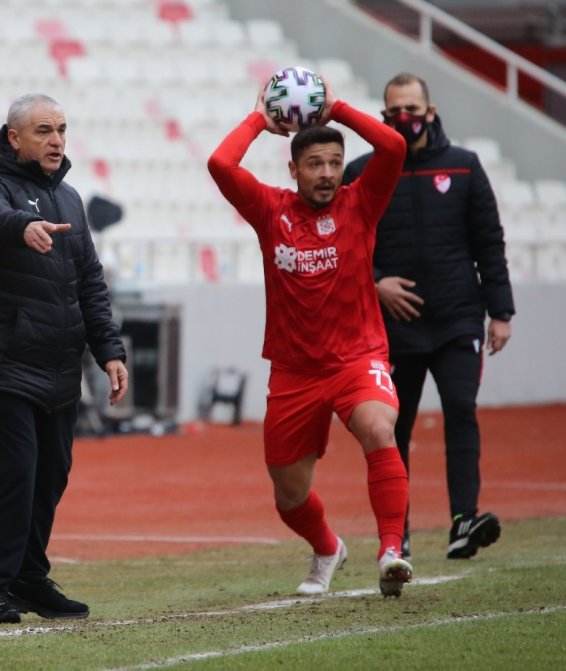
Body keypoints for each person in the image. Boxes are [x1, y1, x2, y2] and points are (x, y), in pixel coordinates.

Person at [208, 81, 413, 597]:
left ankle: (392, 549)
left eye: (334, 162)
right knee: (289, 494)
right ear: (294, 170)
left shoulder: (361, 203)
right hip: (295, 370)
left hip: (357, 357)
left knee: (377, 427)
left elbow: (393, 147)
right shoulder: (269, 210)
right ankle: (327, 548)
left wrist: (338, 108)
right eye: (315, 164)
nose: (326, 174)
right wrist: (258, 119)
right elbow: (220, 165)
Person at [0, 93, 129, 624]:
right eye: (43, 131)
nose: (57, 140)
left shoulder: (71, 199)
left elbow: (89, 283)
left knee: (51, 474)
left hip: (58, 366)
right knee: (18, 470)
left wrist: (109, 350)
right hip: (3, 360)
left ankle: (29, 579)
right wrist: (20, 226)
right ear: (14, 138)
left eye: (61, 129)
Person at [342, 72, 514, 561]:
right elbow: (344, 242)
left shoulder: (464, 166)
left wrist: (500, 311)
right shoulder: (362, 170)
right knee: (396, 427)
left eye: (413, 110)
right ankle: (400, 533)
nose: (404, 119)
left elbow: (489, 242)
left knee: (461, 409)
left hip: (458, 317)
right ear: (383, 114)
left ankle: (464, 520)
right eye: (395, 110)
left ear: (430, 112)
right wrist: (376, 283)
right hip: (391, 328)